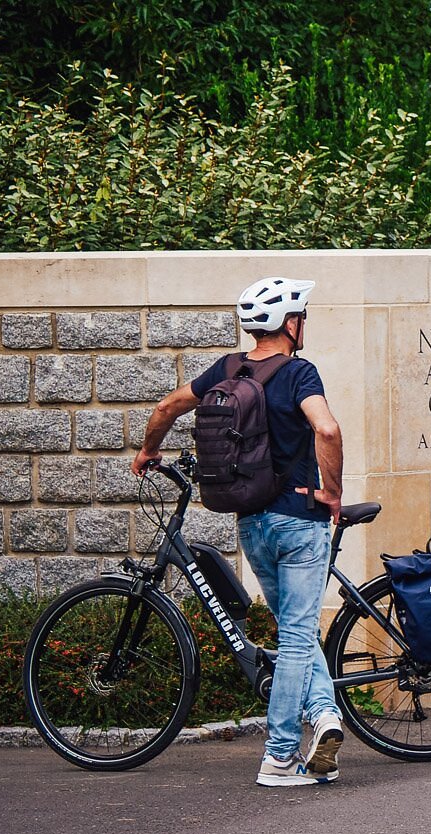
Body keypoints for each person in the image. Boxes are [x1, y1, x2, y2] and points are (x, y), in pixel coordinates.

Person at [131, 276, 347, 785]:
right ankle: (278, 757)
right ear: (290, 324)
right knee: (297, 634)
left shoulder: (227, 370)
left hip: (252, 523)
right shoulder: (298, 373)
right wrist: (332, 492)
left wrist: (148, 451)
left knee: (294, 629)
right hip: (299, 521)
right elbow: (328, 429)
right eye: (303, 316)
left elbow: (166, 407)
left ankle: (325, 718)